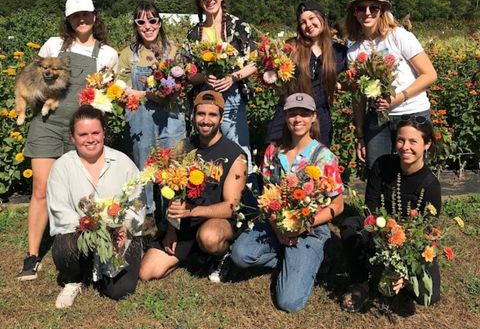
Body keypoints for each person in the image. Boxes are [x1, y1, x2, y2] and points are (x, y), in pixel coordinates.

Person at [18, 0, 118, 281]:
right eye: (76, 16)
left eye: (86, 14)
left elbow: (108, 92)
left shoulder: (107, 54)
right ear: (69, 20)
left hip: (83, 129)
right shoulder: (54, 45)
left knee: (84, 190)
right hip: (48, 122)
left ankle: (86, 249)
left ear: (94, 17)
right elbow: (33, 75)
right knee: (40, 187)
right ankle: (33, 255)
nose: (82, 19)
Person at [231, 93, 344, 312]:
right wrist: (277, 227)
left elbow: (338, 206)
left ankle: (308, 259)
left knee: (289, 303)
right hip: (276, 223)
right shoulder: (273, 151)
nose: (298, 119)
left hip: (310, 228)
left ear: (314, 118)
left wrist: (306, 223)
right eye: (292, 114)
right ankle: (290, 258)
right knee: (240, 255)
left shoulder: (325, 158)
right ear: (285, 118)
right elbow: (267, 196)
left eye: (304, 114)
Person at [139, 90, 247, 283]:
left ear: (222, 118)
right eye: (201, 114)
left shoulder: (235, 155)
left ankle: (220, 255)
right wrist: (171, 230)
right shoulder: (183, 148)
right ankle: (194, 251)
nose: (206, 120)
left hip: (217, 222)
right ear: (193, 116)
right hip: (186, 225)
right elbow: (172, 194)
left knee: (209, 237)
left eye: (212, 114)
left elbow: (232, 207)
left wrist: (193, 211)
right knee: (147, 273)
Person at [47, 106, 146, 308]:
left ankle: (104, 267)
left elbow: (138, 201)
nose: (90, 139)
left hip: (120, 235)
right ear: (72, 137)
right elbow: (60, 212)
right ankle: (74, 278)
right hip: (81, 236)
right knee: (65, 249)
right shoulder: (62, 167)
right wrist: (93, 231)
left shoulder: (122, 162)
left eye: (96, 133)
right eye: (83, 134)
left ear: (103, 133)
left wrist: (123, 226)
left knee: (120, 291)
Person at [340, 116, 441, 312]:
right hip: (380, 231)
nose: (405, 147)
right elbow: (370, 207)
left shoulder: (430, 186)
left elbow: (427, 232)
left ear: (427, 144)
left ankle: (400, 277)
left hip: (411, 242)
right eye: (401, 140)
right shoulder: (382, 165)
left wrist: (405, 264)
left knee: (427, 297)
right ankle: (361, 280)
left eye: (414, 141)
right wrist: (384, 235)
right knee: (351, 225)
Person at [182, 0, 258, 203]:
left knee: (239, 149)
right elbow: (187, 73)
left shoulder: (239, 27)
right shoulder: (194, 34)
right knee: (208, 152)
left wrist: (232, 77)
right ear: (199, 2)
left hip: (232, 97)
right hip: (205, 99)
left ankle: (247, 205)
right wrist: (203, 76)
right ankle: (213, 201)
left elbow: (255, 61)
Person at [344, 0, 437, 170]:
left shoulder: (398, 36)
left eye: (373, 7)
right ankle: (382, 201)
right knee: (378, 170)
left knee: (413, 171)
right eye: (361, 8)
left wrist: (398, 97)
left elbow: (430, 74)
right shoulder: (354, 51)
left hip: (412, 113)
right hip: (378, 119)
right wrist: (360, 134)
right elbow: (358, 96)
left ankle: (415, 201)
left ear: (382, 11)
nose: (367, 13)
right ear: (354, 13)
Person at [118, 2, 186, 219]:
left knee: (174, 165)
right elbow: (120, 91)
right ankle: (145, 216)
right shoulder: (129, 54)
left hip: (171, 116)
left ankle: (173, 216)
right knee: (143, 166)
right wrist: (148, 95)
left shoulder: (174, 50)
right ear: (136, 25)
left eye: (152, 20)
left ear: (160, 22)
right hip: (140, 118)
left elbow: (183, 83)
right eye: (141, 21)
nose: (147, 26)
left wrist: (173, 91)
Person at [265, 0, 348, 149]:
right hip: (289, 113)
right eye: (302, 22)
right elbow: (266, 67)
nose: (308, 24)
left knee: (318, 163)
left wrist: (336, 85)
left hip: (319, 116)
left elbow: (356, 80)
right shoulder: (291, 47)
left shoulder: (339, 52)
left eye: (311, 18)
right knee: (278, 162)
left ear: (322, 17)